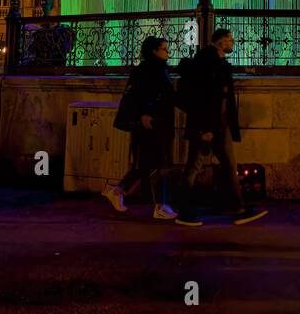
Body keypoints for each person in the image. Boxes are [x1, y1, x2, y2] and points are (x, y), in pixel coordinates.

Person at [175, 29, 266, 226]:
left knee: (226, 165)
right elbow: (206, 99)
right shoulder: (208, 63)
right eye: (230, 40)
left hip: (218, 125)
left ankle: (237, 206)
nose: (233, 42)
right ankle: (183, 211)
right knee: (194, 166)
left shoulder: (217, 63)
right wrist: (206, 128)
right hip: (209, 126)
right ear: (221, 42)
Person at [104, 36, 177, 220]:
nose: (167, 52)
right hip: (150, 124)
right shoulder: (147, 71)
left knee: (147, 165)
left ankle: (119, 190)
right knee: (159, 165)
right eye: (164, 49)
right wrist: (143, 115)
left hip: (159, 123)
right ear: (154, 50)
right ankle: (160, 205)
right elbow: (136, 97)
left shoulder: (159, 70)